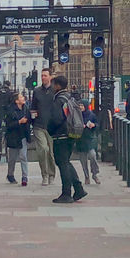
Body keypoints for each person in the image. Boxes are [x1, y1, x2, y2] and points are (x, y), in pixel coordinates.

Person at [48, 74, 87, 203]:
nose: (52, 87)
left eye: (53, 84)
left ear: (58, 86)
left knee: (62, 163)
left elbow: (57, 119)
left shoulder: (59, 100)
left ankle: (66, 193)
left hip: (61, 135)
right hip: (71, 133)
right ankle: (78, 188)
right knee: (66, 162)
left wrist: (50, 129)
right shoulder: (69, 97)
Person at [29, 68, 58, 187]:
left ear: (50, 77)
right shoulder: (37, 91)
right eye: (42, 76)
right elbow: (33, 106)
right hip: (39, 125)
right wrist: (33, 117)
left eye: (45, 75)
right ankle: (44, 175)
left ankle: (52, 174)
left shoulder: (55, 91)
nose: (43, 78)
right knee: (43, 150)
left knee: (51, 152)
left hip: (51, 126)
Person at [4, 92, 32, 186]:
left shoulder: (26, 109)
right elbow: (8, 125)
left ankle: (25, 177)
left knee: (23, 156)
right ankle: (10, 174)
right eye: (21, 97)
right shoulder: (10, 110)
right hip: (13, 137)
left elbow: (29, 120)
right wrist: (19, 122)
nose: (23, 98)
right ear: (16, 101)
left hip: (23, 136)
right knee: (12, 158)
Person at [75, 99, 100, 185]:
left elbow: (97, 124)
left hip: (89, 138)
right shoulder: (77, 115)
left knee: (92, 155)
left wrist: (94, 125)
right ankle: (86, 176)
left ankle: (95, 173)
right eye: (80, 105)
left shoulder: (91, 115)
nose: (81, 107)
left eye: (82, 105)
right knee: (83, 160)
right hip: (80, 139)